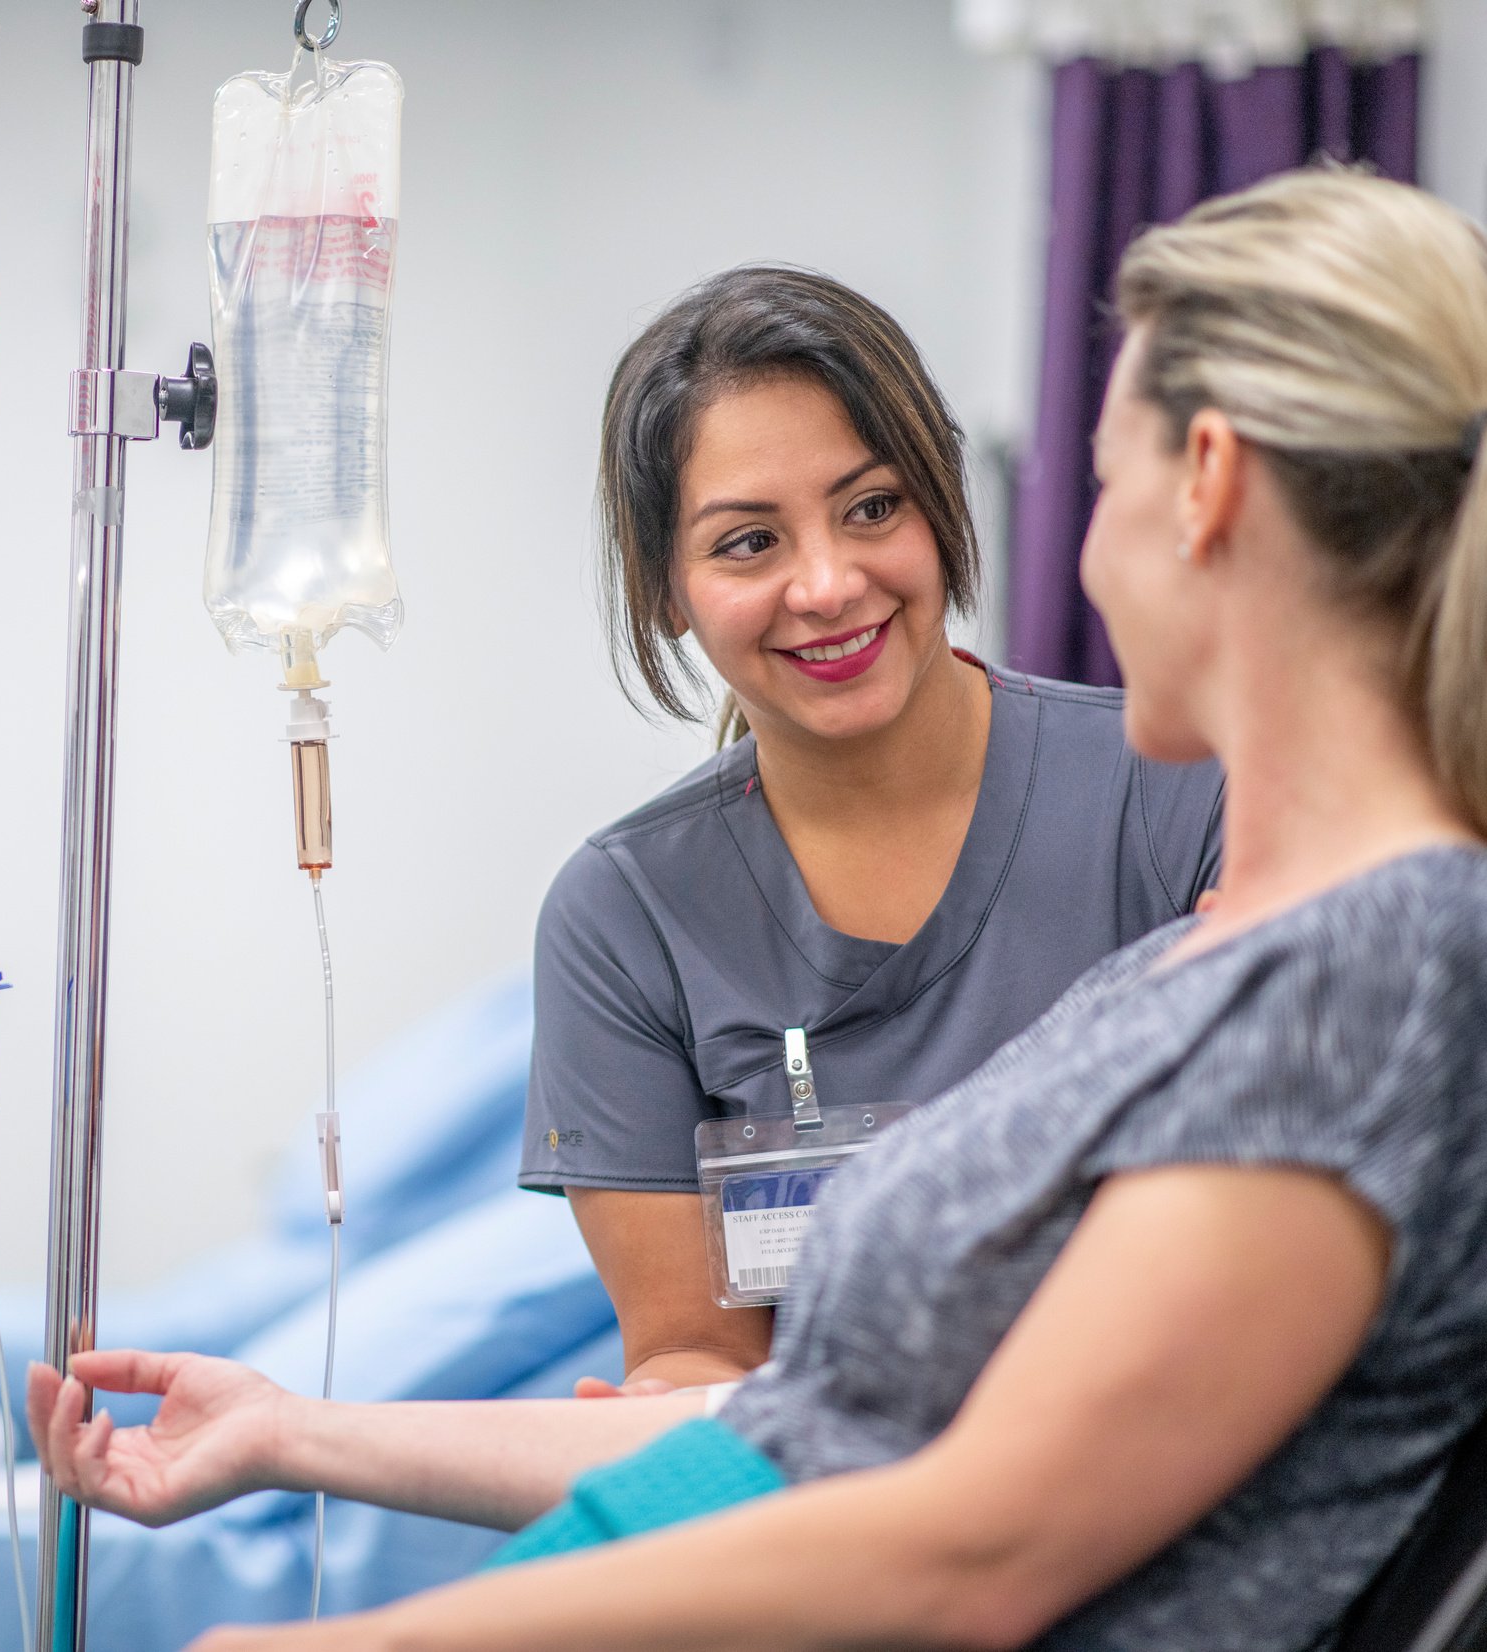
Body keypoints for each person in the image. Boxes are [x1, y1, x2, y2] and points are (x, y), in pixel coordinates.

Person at [30, 168, 1487, 1651]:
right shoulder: (1228, 967)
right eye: (748, 541)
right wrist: (300, 1434)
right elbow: (803, 1430)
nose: (827, 585)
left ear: (1209, 486)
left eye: (1098, 481)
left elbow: (976, 1545)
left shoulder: (1387, 963)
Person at [518, 265, 1224, 1388]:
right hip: (838, 1513)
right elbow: (696, 1352)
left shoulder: (1182, 789)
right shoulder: (624, 916)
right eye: (748, 543)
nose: (827, 582)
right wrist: (657, 1417)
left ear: (939, 502)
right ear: (665, 588)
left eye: (870, 507)